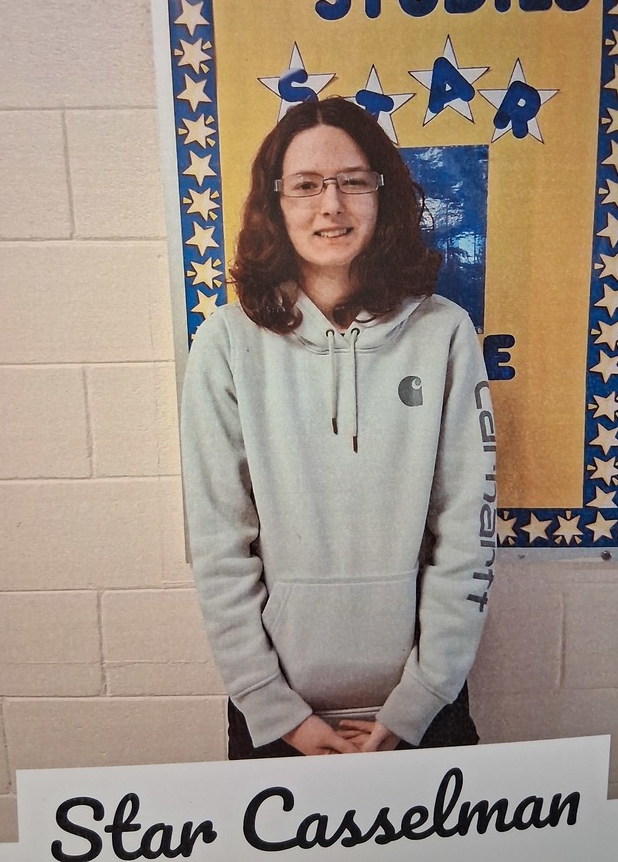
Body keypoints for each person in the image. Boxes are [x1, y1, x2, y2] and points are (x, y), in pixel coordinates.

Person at [180, 96, 496, 759]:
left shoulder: (443, 333)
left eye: (353, 181)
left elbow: (466, 530)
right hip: (275, 719)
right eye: (306, 186)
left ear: (383, 195)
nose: (332, 206)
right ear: (276, 203)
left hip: (426, 710)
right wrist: (277, 711)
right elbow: (218, 547)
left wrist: (418, 701)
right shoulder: (226, 344)